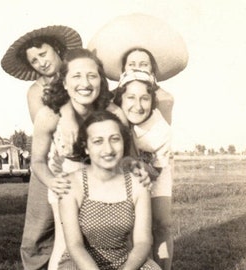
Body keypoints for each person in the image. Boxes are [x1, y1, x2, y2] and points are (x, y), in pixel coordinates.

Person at [30, 48, 151, 269]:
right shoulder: (49, 115)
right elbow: (36, 161)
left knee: (122, 238)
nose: (85, 83)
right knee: (64, 244)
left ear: (101, 81)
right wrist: (51, 182)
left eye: (92, 76)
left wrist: (136, 166)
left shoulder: (113, 114)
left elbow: (127, 156)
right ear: (64, 82)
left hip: (106, 181)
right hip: (66, 181)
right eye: (76, 76)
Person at [87, 14, 189, 269]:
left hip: (156, 162)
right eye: (132, 63)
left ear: (153, 71)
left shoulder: (162, 101)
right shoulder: (113, 104)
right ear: (122, 70)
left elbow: (156, 151)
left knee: (162, 222)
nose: (137, 67)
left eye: (144, 63)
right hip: (124, 167)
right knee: (131, 223)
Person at [1, 25, 83, 270]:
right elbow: (45, 126)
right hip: (47, 160)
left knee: (79, 224)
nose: (41, 62)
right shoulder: (35, 91)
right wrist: (68, 112)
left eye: (43, 54)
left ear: (56, 49)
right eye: (34, 61)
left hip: (82, 158)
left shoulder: (79, 76)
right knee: (38, 230)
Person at [56, 110, 161, 270]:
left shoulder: (138, 184)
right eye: (98, 141)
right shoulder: (71, 184)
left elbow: (143, 241)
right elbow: (75, 245)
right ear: (86, 147)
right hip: (80, 264)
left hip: (124, 263)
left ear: (124, 143)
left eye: (115, 139)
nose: (108, 149)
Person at [114, 69, 174, 270]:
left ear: (152, 100)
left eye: (144, 98)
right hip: (122, 175)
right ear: (120, 99)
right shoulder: (112, 118)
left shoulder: (160, 129)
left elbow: (157, 170)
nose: (138, 106)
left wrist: (138, 168)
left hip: (153, 173)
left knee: (161, 223)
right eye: (130, 97)